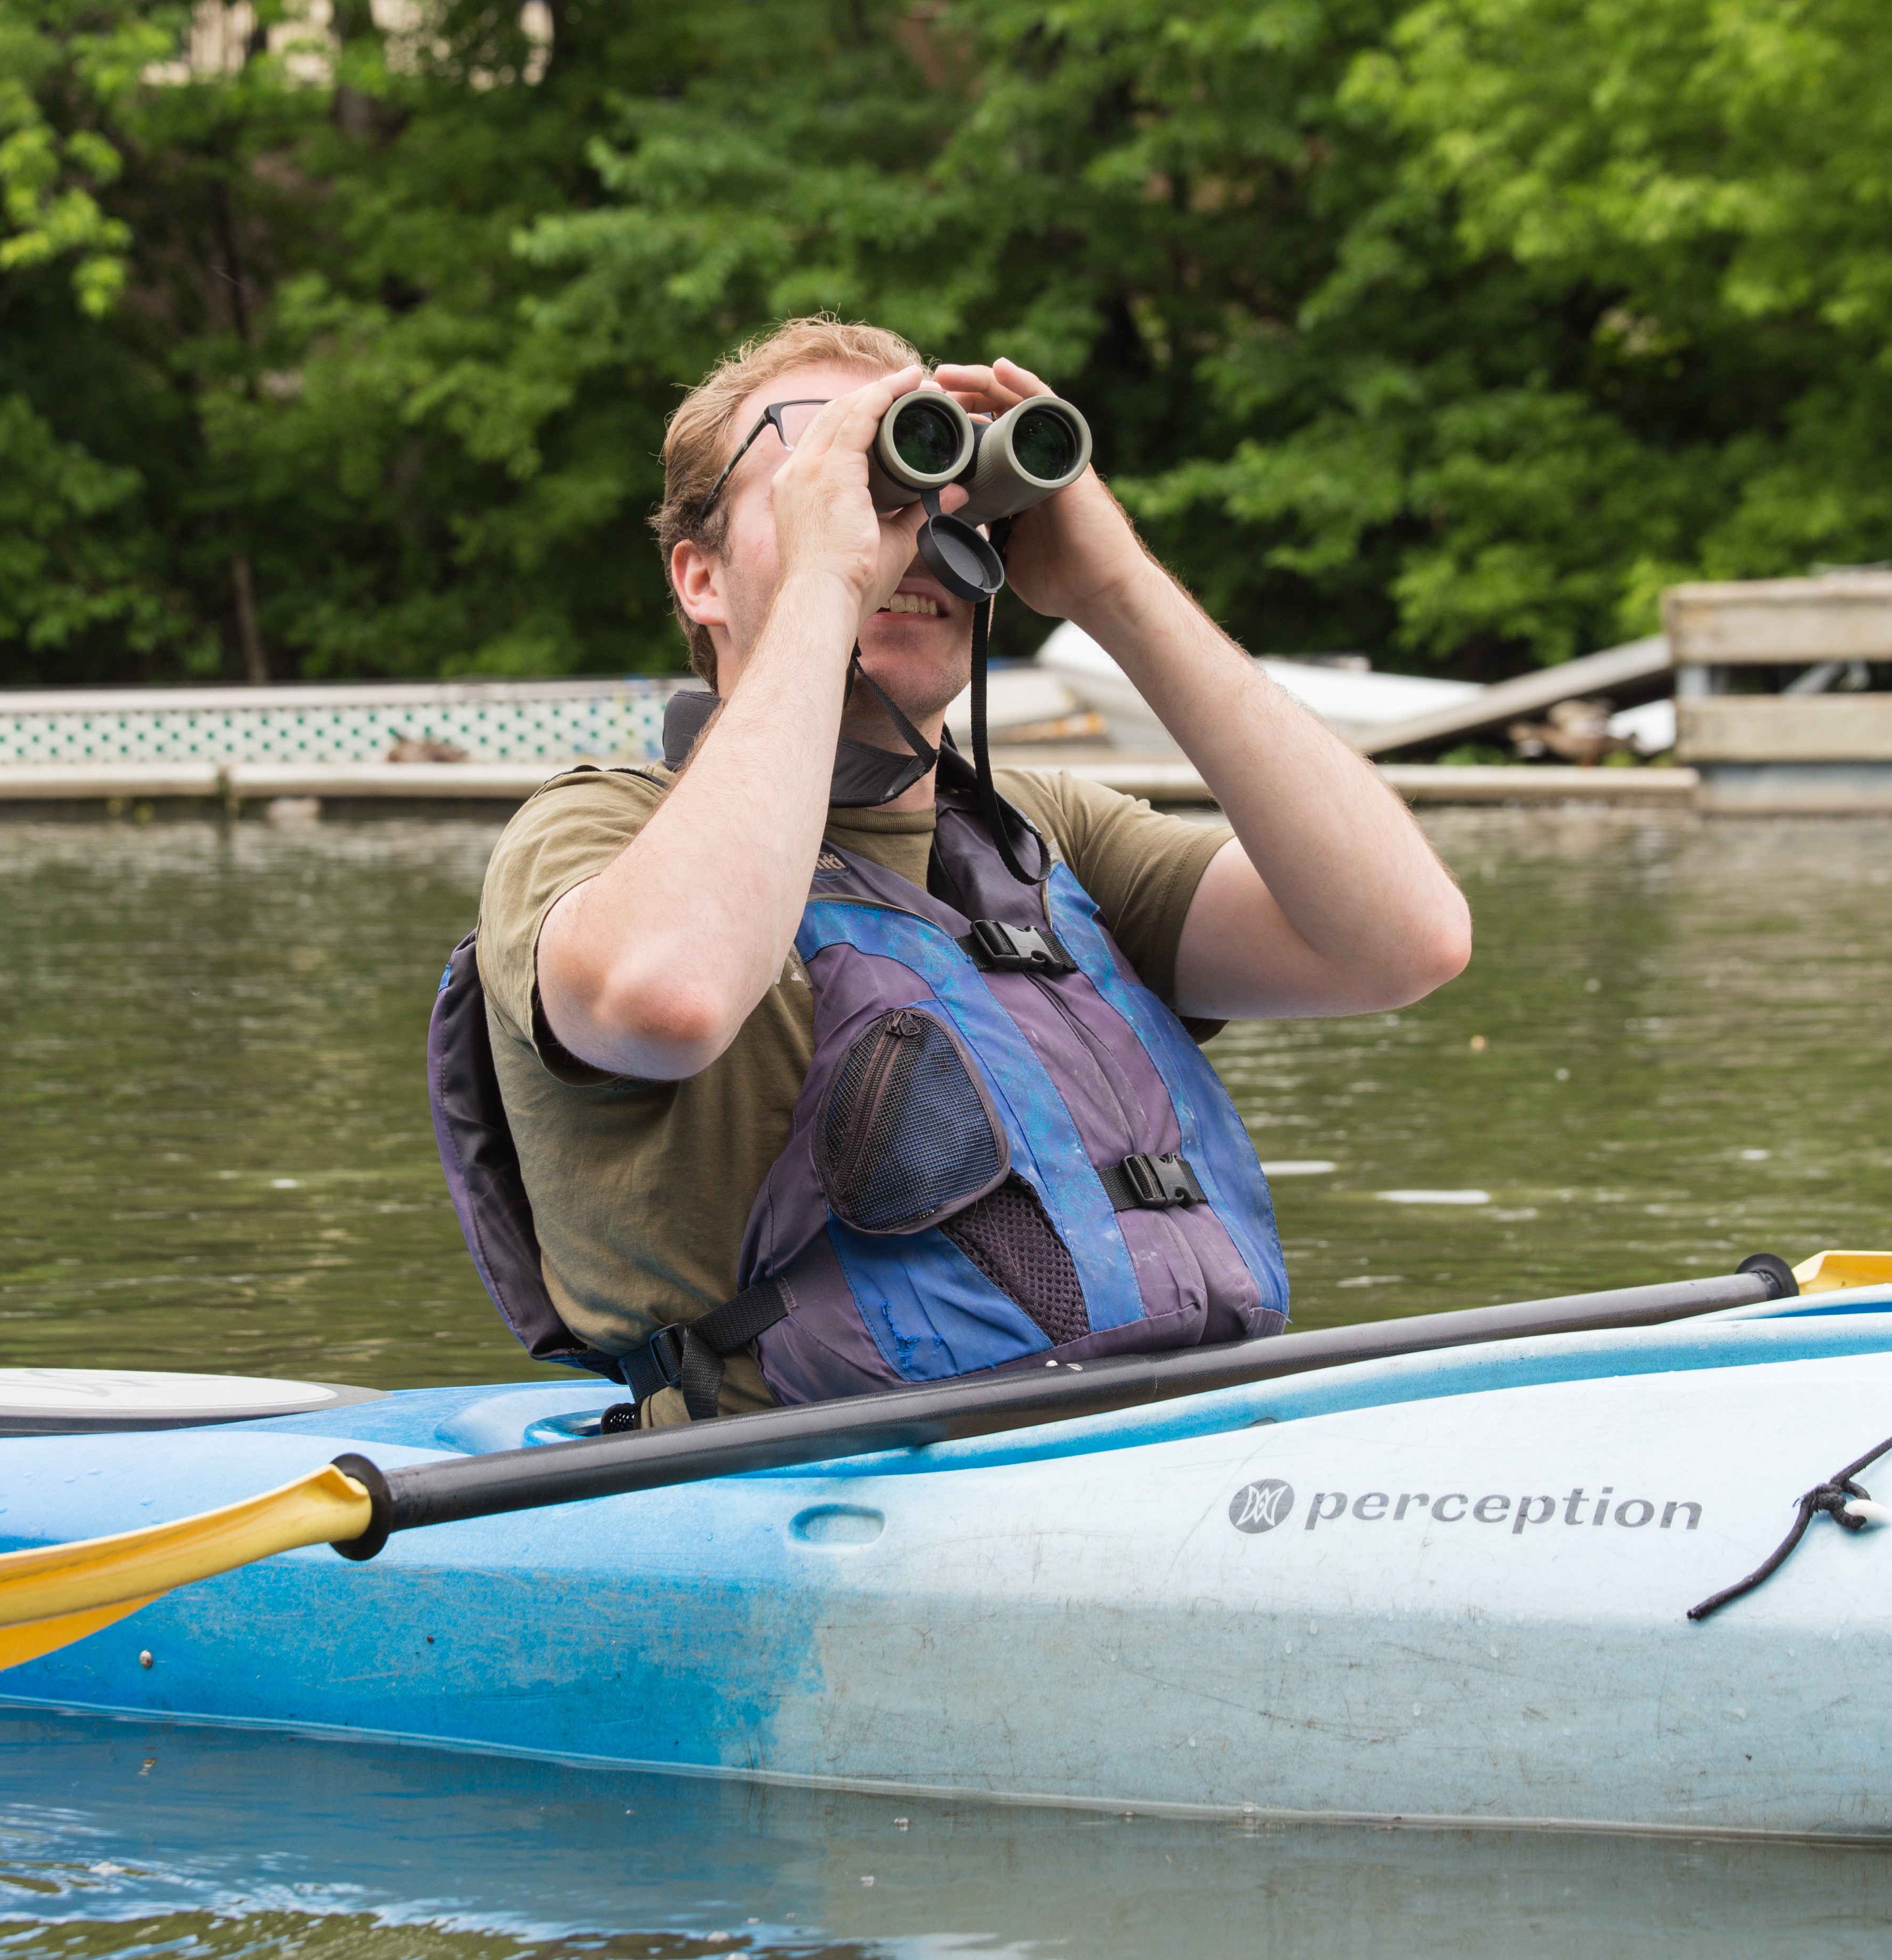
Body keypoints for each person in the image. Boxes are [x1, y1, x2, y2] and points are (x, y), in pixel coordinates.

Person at [468, 316, 1470, 1426]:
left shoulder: (1042, 835)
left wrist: (1114, 586)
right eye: (833, 484)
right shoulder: (594, 833)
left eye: (933, 489)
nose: (900, 535)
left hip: (1183, 1447)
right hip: (819, 1503)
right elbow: (670, 998)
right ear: (700, 579)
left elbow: (1403, 941)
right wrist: (826, 580)